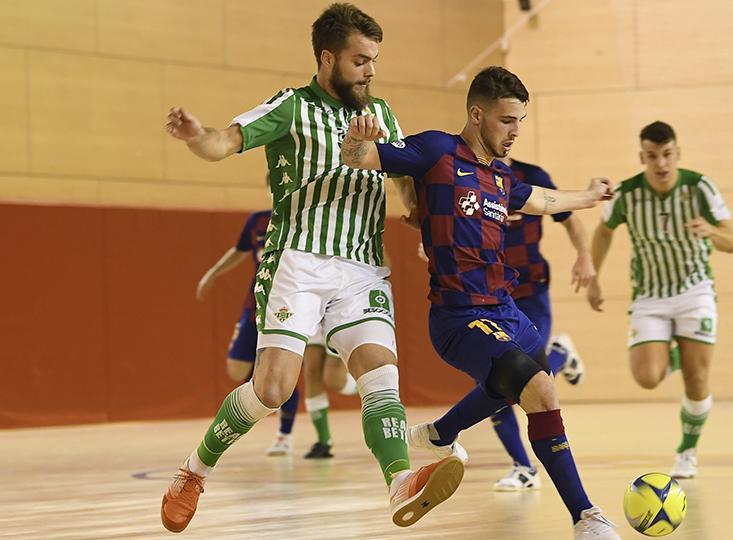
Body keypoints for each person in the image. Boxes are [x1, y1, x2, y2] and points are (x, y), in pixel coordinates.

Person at [160, 4, 463, 533]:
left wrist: (424, 219)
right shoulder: (290, 108)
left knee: (380, 374)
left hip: (363, 266)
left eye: (373, 61)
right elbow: (222, 142)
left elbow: (406, 188)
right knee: (273, 389)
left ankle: (400, 483)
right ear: (327, 58)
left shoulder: (385, 115)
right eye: (360, 60)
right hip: (298, 260)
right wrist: (195, 136)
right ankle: (193, 471)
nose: (370, 71)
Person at [340, 66, 621, 540]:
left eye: (521, 121)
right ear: (477, 114)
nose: (515, 132)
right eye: (507, 120)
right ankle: (586, 517)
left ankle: (440, 434)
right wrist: (354, 140)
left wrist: (590, 196)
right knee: (537, 388)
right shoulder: (437, 151)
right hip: (458, 316)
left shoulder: (500, 178)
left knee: (525, 383)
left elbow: (546, 202)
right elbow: (362, 158)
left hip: (505, 309)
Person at [587, 121, 733, 479]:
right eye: (652, 156)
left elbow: (732, 241)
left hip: (695, 291)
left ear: (677, 153)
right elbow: (604, 231)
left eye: (667, 155)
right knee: (647, 377)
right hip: (650, 296)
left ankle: (687, 452)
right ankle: (679, 353)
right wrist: (592, 276)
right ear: (643, 157)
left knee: (697, 379)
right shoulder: (627, 194)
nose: (661, 164)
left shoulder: (700, 187)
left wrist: (711, 231)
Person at [195, 206, 357, 458]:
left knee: (326, 377)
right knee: (241, 368)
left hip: (318, 300)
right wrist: (213, 272)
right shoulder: (259, 220)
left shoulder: (320, 215)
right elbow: (240, 250)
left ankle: (292, 432)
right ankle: (271, 390)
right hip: (266, 301)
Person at [488, 156, 591, 491]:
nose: (509, 130)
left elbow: (570, 219)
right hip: (489, 295)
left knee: (520, 380)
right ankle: (522, 466)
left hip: (531, 292)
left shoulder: (531, 177)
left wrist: (584, 257)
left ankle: (559, 355)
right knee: (491, 381)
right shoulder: (468, 175)